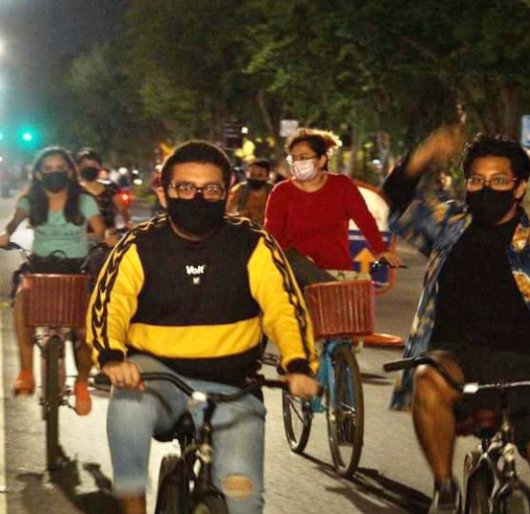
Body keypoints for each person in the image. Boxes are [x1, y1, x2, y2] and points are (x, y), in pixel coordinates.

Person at [87, 141, 320, 514]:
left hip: (233, 385)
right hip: (156, 378)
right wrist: (113, 358)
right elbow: (110, 306)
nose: (197, 197)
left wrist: (298, 364)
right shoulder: (139, 245)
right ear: (164, 194)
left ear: (227, 196)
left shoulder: (253, 244)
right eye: (185, 188)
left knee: (243, 501)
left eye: (211, 189)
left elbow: (285, 308)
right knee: (127, 408)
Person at [382, 127, 530, 514]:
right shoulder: (449, 223)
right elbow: (397, 196)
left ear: (519, 187)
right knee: (427, 380)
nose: (486, 189)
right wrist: (427, 149)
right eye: (476, 180)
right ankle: (444, 489)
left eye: (499, 181)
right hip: (458, 362)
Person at [0, 147, 117, 415]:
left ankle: (83, 383)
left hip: (77, 269)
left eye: (59, 168)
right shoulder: (30, 200)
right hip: (39, 268)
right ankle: (26, 371)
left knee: (85, 333)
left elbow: (100, 228)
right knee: (22, 305)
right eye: (47, 169)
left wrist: (107, 237)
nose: (54, 174)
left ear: (70, 171)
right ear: (38, 174)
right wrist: (4, 235)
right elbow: (12, 224)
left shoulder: (83, 200)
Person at [264, 128, 401, 288]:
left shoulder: (341, 186)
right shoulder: (281, 191)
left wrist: (380, 249)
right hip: (294, 277)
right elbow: (271, 236)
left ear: (322, 160)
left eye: (304, 157)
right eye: (293, 158)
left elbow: (364, 219)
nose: (298, 162)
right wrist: (301, 262)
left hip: (336, 274)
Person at [77, 149, 134, 232]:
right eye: (85, 165)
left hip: (108, 238)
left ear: (99, 167)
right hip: (80, 239)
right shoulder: (74, 190)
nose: (89, 168)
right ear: (78, 168)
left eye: (93, 164)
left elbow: (123, 210)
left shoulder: (111, 188)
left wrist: (128, 224)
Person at [226, 159, 273, 225]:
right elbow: (227, 212)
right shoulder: (240, 190)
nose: (255, 178)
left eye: (260, 175)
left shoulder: (273, 191)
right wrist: (238, 215)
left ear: (267, 176)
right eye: (252, 174)